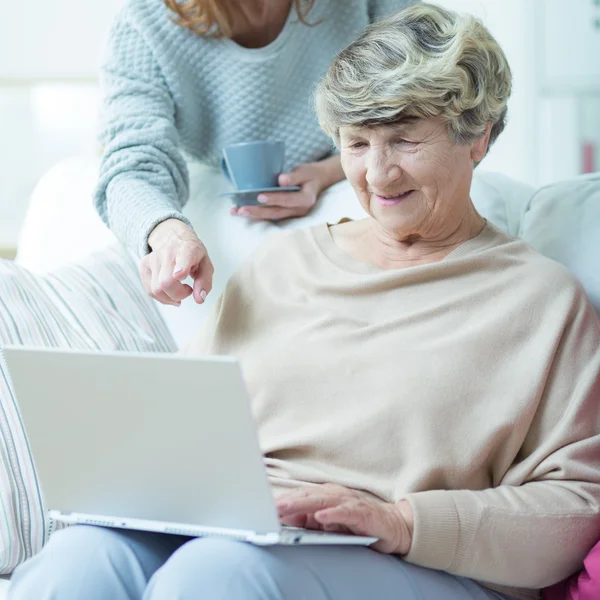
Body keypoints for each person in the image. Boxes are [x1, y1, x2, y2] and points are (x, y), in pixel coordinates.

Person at [10, 3, 600, 600]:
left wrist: (402, 522)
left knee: (217, 575)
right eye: (357, 142)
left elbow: (576, 504)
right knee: (81, 558)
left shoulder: (542, 302)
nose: (378, 173)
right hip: (251, 527)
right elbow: (186, 427)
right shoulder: (282, 265)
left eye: (403, 140)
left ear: (477, 136)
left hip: (411, 556)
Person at [94, 0, 410, 309]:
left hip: (347, 180)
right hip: (222, 207)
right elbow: (131, 167)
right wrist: (168, 234)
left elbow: (427, 93)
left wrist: (329, 171)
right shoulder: (143, 24)